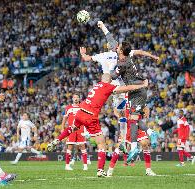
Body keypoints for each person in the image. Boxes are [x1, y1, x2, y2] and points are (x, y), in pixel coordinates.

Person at [48, 74, 149, 177]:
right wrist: (142, 85)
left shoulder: (97, 85)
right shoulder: (108, 86)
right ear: (110, 81)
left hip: (80, 112)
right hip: (90, 116)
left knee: (73, 127)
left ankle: (57, 140)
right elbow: (127, 88)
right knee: (101, 144)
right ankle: (100, 170)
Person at [97, 21, 159, 162]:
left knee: (133, 120)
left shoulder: (123, 63)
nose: (116, 47)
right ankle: (149, 135)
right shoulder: (125, 55)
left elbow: (113, 76)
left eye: (118, 48)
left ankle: (137, 145)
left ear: (121, 52)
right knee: (133, 119)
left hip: (138, 90)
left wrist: (106, 74)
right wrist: (102, 26)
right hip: (133, 91)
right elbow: (110, 38)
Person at [61, 94, 88, 171]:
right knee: (69, 147)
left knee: (82, 146)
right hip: (71, 129)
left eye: (77, 97)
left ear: (79, 99)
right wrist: (62, 127)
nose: (76, 99)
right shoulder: (68, 108)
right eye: (74, 97)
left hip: (80, 129)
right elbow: (65, 118)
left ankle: (85, 166)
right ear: (72, 99)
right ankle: (67, 165)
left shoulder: (82, 107)